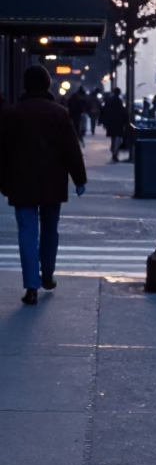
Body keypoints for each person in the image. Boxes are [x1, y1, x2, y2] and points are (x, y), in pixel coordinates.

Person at [0, 65, 87, 306]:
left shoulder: (13, 113)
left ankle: (31, 287)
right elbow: (71, 149)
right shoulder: (59, 112)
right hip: (52, 183)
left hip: (21, 183)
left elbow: (3, 151)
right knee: (50, 230)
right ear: (48, 84)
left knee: (26, 233)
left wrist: (4, 181)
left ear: (26, 85)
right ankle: (47, 275)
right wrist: (79, 179)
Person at [101, 86, 127, 161]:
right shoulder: (119, 101)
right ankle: (115, 153)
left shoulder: (109, 100)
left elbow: (105, 111)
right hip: (118, 123)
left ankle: (113, 152)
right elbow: (122, 112)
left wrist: (104, 121)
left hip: (111, 122)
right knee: (117, 138)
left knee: (113, 138)